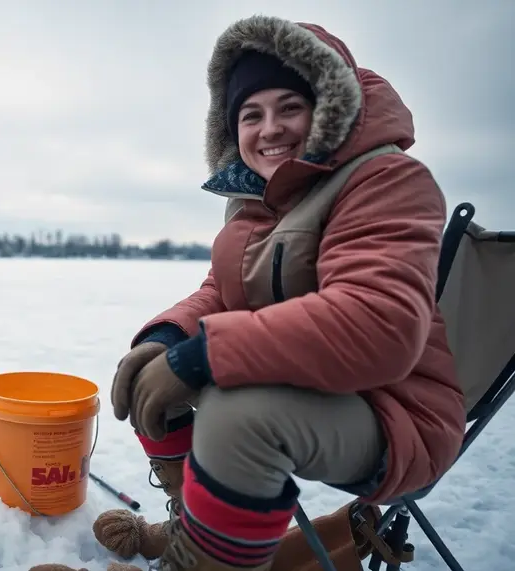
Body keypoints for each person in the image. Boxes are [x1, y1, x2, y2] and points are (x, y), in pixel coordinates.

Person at [30, 13, 466, 571]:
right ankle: (195, 528)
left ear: (329, 107)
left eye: (290, 107)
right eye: (250, 115)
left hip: (396, 412)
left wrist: (203, 355)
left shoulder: (386, 179)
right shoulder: (258, 202)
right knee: (153, 374)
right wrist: (168, 339)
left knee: (240, 412)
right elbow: (220, 290)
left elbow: (378, 324)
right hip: (318, 393)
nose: (270, 129)